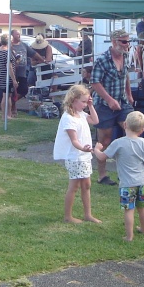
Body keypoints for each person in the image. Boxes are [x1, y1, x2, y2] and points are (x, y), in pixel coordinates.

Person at [93, 111, 144, 242]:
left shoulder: (118, 143)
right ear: (143, 129)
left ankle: (129, 237)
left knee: (129, 210)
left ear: (124, 124)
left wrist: (96, 149)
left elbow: (101, 157)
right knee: (142, 207)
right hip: (143, 182)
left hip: (127, 184)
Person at [90, 29, 134, 186]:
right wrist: (109, 100)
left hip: (122, 101)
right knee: (105, 139)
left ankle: (129, 173)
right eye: (124, 41)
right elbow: (94, 82)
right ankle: (102, 175)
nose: (127, 44)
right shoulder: (102, 60)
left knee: (132, 130)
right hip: (104, 105)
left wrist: (128, 94)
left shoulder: (126, 56)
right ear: (114, 42)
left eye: (128, 41)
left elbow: (126, 76)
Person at [53, 84, 101, 224]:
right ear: (73, 100)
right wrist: (83, 148)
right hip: (75, 157)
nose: (85, 105)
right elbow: (74, 140)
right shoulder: (68, 118)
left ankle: (88, 214)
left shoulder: (82, 114)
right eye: (84, 102)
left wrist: (91, 106)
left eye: (87, 101)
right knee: (74, 186)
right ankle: (68, 216)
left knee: (86, 185)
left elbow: (96, 121)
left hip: (84, 156)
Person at [10, 29, 36, 114]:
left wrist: (43, 60)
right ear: (12, 35)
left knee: (24, 89)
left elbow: (33, 53)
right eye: (17, 34)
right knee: (13, 90)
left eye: (19, 34)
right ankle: (13, 107)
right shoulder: (10, 46)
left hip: (22, 72)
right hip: (13, 72)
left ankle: (13, 101)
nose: (19, 36)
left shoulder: (24, 45)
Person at [0, 34, 18, 120]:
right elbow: (9, 66)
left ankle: (4, 115)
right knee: (7, 97)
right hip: (7, 76)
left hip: (0, 76)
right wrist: (14, 80)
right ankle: (7, 115)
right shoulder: (7, 52)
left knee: (5, 95)